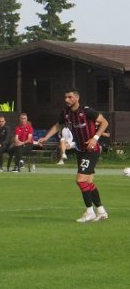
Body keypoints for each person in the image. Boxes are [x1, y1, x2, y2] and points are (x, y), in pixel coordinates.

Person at [37, 88, 109, 223]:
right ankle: (101, 211)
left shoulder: (87, 111)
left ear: (77, 98)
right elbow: (58, 125)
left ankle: (89, 212)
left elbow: (105, 122)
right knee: (88, 182)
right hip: (80, 150)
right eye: (65, 97)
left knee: (80, 180)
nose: (67, 100)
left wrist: (95, 138)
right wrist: (46, 137)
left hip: (91, 150)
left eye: (69, 97)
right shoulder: (65, 113)